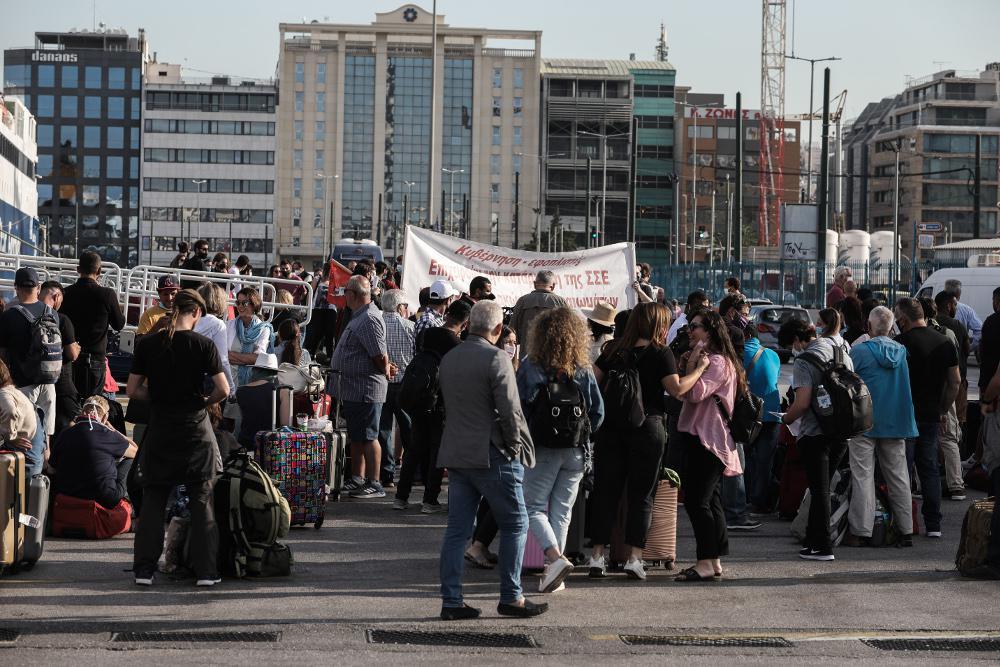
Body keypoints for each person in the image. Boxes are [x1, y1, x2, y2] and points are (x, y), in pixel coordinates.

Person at [437, 300, 545, 620]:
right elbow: (511, 410)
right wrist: (515, 447)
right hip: (492, 453)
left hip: (457, 453)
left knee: (457, 531)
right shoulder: (497, 357)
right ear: (498, 329)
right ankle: (511, 597)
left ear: (470, 324)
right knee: (515, 522)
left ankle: (452, 600)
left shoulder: (450, 357)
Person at [127, 289, 230, 587]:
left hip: (160, 428)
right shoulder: (204, 344)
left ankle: (144, 570)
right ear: (196, 313)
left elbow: (133, 391)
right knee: (201, 500)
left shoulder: (148, 344)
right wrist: (200, 400)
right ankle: (207, 572)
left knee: (154, 498)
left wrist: (160, 397)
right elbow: (223, 389)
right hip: (194, 429)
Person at [588, 303, 696, 581]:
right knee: (642, 494)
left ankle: (597, 556)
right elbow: (677, 390)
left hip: (611, 429)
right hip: (648, 427)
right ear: (658, 324)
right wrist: (699, 369)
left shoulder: (612, 350)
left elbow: (592, 382)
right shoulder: (661, 353)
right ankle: (634, 559)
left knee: (605, 492)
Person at [517, 308, 604, 593]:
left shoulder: (532, 365)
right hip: (576, 450)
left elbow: (519, 407)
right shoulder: (583, 366)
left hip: (543, 446)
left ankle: (554, 559)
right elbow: (598, 412)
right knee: (562, 512)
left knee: (531, 506)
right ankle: (554, 574)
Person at [672, 310, 744, 581]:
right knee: (710, 501)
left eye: (696, 327)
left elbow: (692, 393)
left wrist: (694, 365)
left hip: (709, 439)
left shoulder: (716, 362)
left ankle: (704, 561)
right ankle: (713, 560)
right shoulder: (716, 360)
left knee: (696, 501)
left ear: (710, 333)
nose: (690, 331)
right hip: (703, 437)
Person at [778, 317, 853, 561]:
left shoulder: (804, 361)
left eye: (793, 344)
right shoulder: (839, 348)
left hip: (815, 432)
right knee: (821, 488)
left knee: (819, 490)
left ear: (798, 340)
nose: (794, 348)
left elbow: (801, 403)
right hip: (841, 430)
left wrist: (786, 419)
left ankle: (823, 546)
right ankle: (812, 541)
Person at [845, 306, 916, 547]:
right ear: (892, 326)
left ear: (869, 326)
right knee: (899, 476)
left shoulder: (860, 352)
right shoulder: (901, 352)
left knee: (863, 475)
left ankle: (862, 531)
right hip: (896, 421)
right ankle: (906, 530)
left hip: (865, 422)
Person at [894, 297, 960, 538]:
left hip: (905, 415)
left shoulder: (899, 344)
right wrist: (942, 408)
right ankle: (933, 524)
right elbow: (955, 382)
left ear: (903, 319)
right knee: (929, 468)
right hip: (932, 414)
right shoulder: (944, 342)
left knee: (903, 469)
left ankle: (904, 524)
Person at [395, 299, 470, 512]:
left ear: (447, 314)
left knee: (414, 448)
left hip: (419, 397)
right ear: (465, 324)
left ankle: (401, 497)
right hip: (441, 402)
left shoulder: (425, 335)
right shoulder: (457, 346)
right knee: (438, 451)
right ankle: (430, 500)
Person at [330, 275, 394, 499]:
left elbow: (379, 355)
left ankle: (374, 482)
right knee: (357, 436)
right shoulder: (360, 316)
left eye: (346, 291)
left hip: (366, 389)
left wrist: (385, 368)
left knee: (368, 436)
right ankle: (358, 478)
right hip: (355, 389)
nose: (343, 295)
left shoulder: (369, 318)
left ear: (353, 294)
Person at [0, 268, 59, 448]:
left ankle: (26, 473)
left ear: (16, 287)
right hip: (49, 380)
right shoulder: (52, 313)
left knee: (25, 438)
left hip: (22, 384)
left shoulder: (9, 316)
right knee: (46, 439)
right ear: (38, 287)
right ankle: (45, 467)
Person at [49, 396, 138, 509]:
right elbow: (136, 451)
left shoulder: (65, 432)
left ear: (82, 412)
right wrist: (113, 429)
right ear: (105, 417)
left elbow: (51, 468)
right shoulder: (108, 434)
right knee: (131, 460)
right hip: (104, 498)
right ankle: (130, 502)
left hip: (68, 494)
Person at [60, 251, 125, 399]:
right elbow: (119, 325)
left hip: (70, 357)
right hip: (95, 359)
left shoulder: (66, 293)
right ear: (99, 271)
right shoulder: (107, 294)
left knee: (71, 404)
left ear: (78, 269)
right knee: (92, 405)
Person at [920, 297, 966, 501]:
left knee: (923, 437)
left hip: (925, 392)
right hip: (948, 389)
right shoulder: (948, 333)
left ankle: (922, 484)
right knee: (949, 438)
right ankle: (956, 484)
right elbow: (956, 361)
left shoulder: (912, 335)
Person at [742, 326, 782, 515]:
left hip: (750, 414)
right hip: (773, 413)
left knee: (748, 457)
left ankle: (749, 495)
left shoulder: (740, 354)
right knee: (766, 460)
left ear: (745, 336)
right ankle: (763, 501)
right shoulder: (773, 354)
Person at [377, 289, 414, 489]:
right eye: (406, 306)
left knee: (383, 431)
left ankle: (387, 474)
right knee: (408, 429)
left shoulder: (376, 324)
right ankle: (411, 473)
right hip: (404, 385)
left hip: (381, 383)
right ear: (400, 307)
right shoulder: (410, 327)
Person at [39, 280, 81, 435]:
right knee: (71, 425)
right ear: (56, 297)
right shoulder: (61, 319)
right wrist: (76, 347)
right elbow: (72, 354)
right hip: (60, 383)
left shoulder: (22, 314)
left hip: (30, 381)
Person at [235, 353, 289, 450]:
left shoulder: (240, 391)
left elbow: (243, 420)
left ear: (255, 370)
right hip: (271, 445)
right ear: (275, 373)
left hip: (246, 444)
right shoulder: (282, 391)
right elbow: (285, 426)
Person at [194, 283, 236, 402]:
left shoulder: (190, 319)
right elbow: (222, 360)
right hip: (209, 379)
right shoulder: (217, 325)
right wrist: (231, 388)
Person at [510, 271, 568, 351]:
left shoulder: (523, 301)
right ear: (553, 285)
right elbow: (568, 333)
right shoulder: (560, 302)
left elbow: (512, 330)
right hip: (553, 354)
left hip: (528, 355)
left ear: (534, 284)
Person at [226, 287, 273, 389]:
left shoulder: (264, 329)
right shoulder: (229, 325)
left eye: (245, 303)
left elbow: (258, 358)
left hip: (252, 383)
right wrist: (248, 359)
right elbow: (224, 356)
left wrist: (233, 355)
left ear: (254, 304)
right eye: (238, 303)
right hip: (229, 382)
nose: (240, 306)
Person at [0, 358, 37, 470]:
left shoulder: (3, 394)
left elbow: (10, 411)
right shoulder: (11, 390)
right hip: (26, 444)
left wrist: (10, 437)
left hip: (18, 446)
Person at [944, 278, 982, 350]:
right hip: (960, 354)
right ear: (959, 294)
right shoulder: (967, 310)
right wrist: (970, 347)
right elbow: (979, 330)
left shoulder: (935, 308)